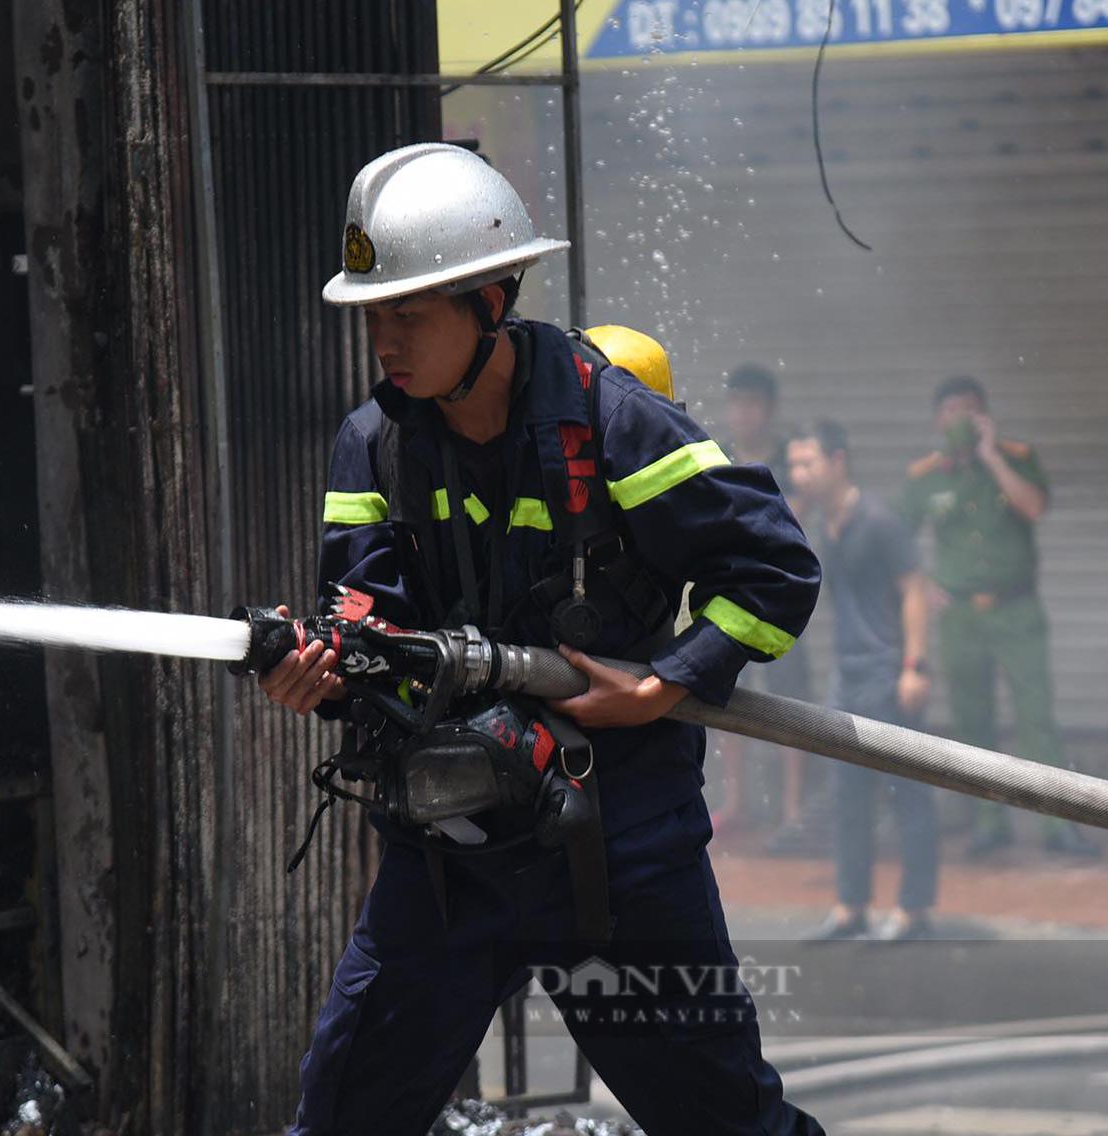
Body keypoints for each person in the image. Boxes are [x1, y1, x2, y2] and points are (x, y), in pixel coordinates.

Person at [257, 143, 824, 1136]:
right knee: (342, 1120)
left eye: (408, 309)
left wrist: (663, 683)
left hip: (616, 856)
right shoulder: (374, 441)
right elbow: (367, 623)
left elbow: (773, 572)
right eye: (371, 313)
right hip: (444, 857)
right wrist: (323, 674)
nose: (381, 339)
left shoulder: (615, 426)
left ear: (490, 296)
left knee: (728, 1126)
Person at [899, 375, 1097, 859]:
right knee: (974, 721)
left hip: (1018, 611)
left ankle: (1059, 825)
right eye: (950, 412)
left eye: (969, 410)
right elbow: (898, 545)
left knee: (1037, 718)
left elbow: (1033, 507)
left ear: (986, 415)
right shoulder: (925, 476)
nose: (959, 420)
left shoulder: (1017, 459)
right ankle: (989, 822)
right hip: (961, 619)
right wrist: (926, 586)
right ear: (937, 421)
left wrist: (991, 455)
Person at [788, 421, 938, 941]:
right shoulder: (826, 523)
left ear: (838, 461)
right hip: (846, 675)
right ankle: (852, 906)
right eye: (794, 464)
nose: (797, 473)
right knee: (848, 794)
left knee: (906, 795)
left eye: (808, 463)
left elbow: (915, 590)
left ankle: (913, 911)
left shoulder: (878, 519)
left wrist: (915, 668)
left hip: (888, 672)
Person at [713, 365, 817, 844]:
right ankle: (738, 803)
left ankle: (794, 809)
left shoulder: (789, 458)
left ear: (769, 409)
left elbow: (798, 517)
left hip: (778, 598)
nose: (743, 413)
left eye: (752, 403)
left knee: (788, 704)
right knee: (729, 698)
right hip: (731, 595)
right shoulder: (719, 455)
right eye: (736, 402)